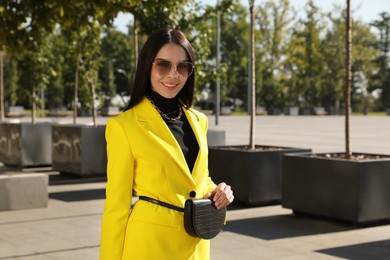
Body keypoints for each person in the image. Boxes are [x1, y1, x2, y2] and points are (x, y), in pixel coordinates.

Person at [100, 28, 234, 260]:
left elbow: (197, 180)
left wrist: (218, 191)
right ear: (147, 67)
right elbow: (116, 207)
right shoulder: (124, 126)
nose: (173, 75)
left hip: (196, 245)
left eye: (182, 66)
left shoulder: (198, 121)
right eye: (163, 65)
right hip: (149, 246)